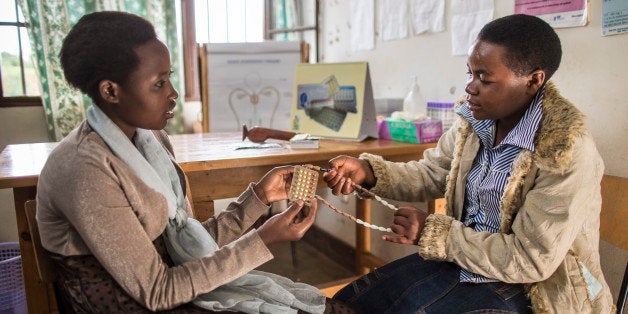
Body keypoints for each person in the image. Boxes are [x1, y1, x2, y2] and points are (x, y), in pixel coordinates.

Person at [36, 11, 326, 313]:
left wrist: (260, 198)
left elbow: (191, 242)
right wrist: (264, 238)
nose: (173, 94)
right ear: (111, 90)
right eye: (159, 84)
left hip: (174, 294)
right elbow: (159, 291)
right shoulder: (86, 169)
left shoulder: (151, 141)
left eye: (170, 78)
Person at [322, 14, 614, 313]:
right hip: (464, 260)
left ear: (533, 80)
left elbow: (531, 259)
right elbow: (433, 172)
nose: (470, 87)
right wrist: (368, 172)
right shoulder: (474, 121)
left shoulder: (564, 150)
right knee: (353, 302)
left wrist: (434, 233)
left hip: (535, 288)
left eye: (485, 79)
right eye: (470, 73)